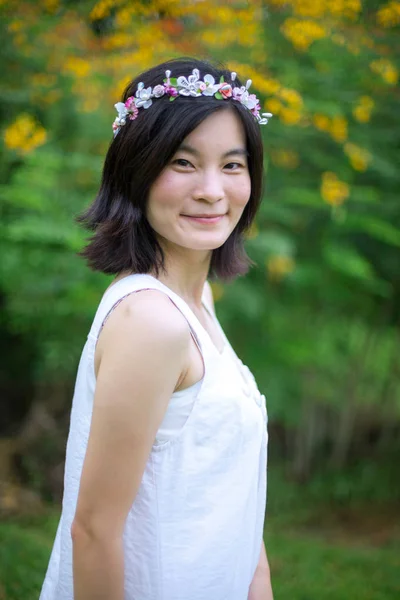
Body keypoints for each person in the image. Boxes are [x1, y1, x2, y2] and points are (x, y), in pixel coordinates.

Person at [39, 56, 273, 600]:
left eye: (232, 165)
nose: (213, 190)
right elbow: (94, 530)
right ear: (136, 169)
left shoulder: (197, 302)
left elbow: (233, 494)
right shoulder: (152, 322)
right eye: (183, 163)